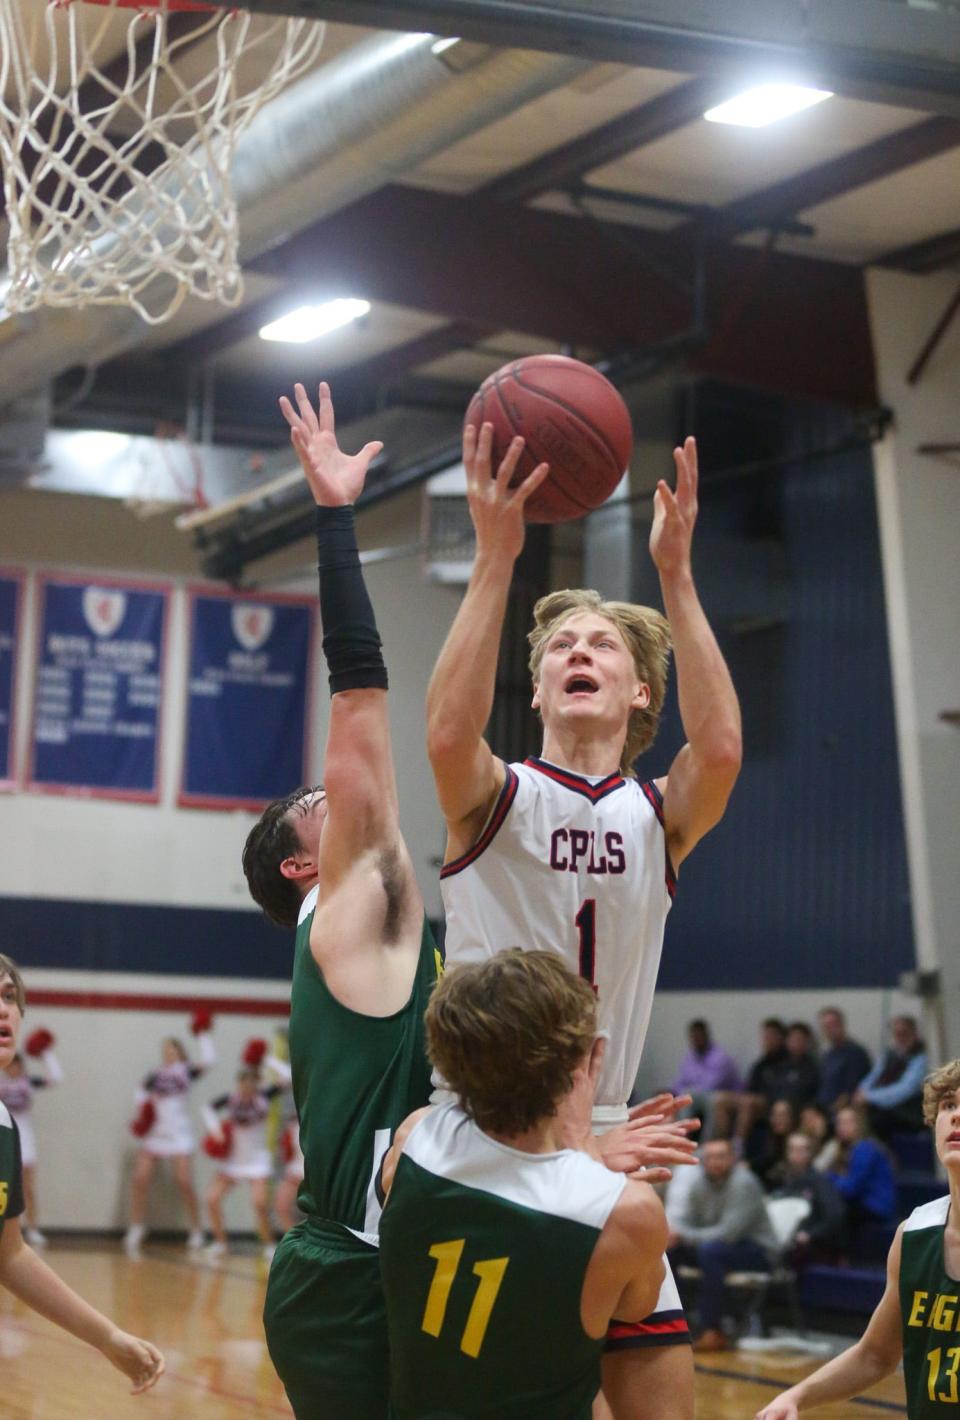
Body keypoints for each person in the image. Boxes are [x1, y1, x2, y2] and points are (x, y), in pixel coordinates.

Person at [426, 424, 742, 1420]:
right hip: (485, 1130)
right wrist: (496, 557)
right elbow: (445, 730)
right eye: (561, 644)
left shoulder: (658, 815)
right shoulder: (496, 793)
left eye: (601, 643)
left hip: (605, 1124)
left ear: (640, 690)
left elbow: (723, 749)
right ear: (537, 686)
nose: (578, 650)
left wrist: (676, 578)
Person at [242, 381, 440, 1420]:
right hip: (353, 1270)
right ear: (298, 867)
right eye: (319, 806)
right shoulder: (350, 914)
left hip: (388, 1251)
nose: (348, 798)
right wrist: (334, 516)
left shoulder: (381, 926)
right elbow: (361, 699)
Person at [379, 950, 669, 1420]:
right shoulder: (621, 1209)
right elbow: (636, 1306)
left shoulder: (414, 1139)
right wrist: (586, 1153)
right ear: (580, 1063)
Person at [755, 1058, 960, 1420]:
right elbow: (876, 1355)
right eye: (948, 1106)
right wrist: (796, 1396)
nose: (956, 1116)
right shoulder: (913, 1235)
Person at [0, 954, 164, 1395]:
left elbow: (9, 1255)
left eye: (10, 997)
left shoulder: (4, 1126)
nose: (3, 1009)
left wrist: (107, 1337)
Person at [667, 1137, 777, 1353]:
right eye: (710, 1157)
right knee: (670, 1250)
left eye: (721, 1156)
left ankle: (712, 1330)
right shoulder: (699, 1183)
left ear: (732, 1159)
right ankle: (674, 1322)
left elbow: (729, 1233)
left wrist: (684, 1235)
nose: (715, 1162)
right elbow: (683, 1222)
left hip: (757, 1250)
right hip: (714, 1246)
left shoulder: (744, 1182)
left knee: (711, 1252)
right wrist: (677, 1235)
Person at [124, 1015, 215, 1255]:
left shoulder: (187, 1071)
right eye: (165, 1049)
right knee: (140, 1179)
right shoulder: (155, 1074)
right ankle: (136, 1227)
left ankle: (197, 1229)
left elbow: (209, 1060)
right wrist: (144, 1112)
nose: (168, 1052)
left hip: (178, 1133)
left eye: (172, 1048)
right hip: (155, 1133)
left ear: (180, 1052)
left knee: (184, 1182)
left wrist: (202, 1033)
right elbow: (140, 1094)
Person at [203, 1063, 285, 1261]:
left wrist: (268, 1060)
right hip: (234, 1160)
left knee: (259, 1204)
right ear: (238, 1084)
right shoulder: (231, 1100)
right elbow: (207, 1109)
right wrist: (216, 1130)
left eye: (250, 1084)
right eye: (242, 1084)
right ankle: (221, 1243)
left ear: (256, 1084)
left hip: (257, 1160)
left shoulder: (264, 1097)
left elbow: (287, 1078)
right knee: (212, 1199)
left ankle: (269, 1244)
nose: (246, 1088)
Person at [0, 1028, 62, 1247]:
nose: (14, 1068)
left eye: (18, 1065)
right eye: (11, 1065)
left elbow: (55, 1077)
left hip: (25, 1136)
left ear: (22, 1066)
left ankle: (33, 1228)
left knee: (28, 1187)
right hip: (4, 1135)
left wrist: (45, 1053)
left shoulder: (29, 1083)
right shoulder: (1, 1084)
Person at [826, 1105, 897, 1257]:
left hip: (875, 1206)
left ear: (859, 1124)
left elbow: (851, 1189)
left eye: (847, 1122)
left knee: (834, 1211)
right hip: (863, 1203)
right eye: (839, 1122)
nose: (842, 1127)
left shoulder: (865, 1148)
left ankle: (839, 1258)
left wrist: (828, 1177)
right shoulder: (844, 1149)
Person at [712, 1018, 791, 1146]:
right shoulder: (761, 1064)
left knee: (748, 1102)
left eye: (771, 1036)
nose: (767, 1040)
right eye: (765, 1036)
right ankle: (720, 1142)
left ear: (781, 1038)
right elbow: (750, 1088)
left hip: (773, 1103)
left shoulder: (788, 1062)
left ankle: (738, 1146)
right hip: (752, 1100)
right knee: (721, 1099)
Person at [771, 1132, 844, 1263]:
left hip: (813, 1246)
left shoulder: (820, 1182)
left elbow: (834, 1215)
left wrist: (811, 1234)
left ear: (810, 1153)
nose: (796, 1155)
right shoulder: (783, 1181)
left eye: (801, 1150)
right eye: (792, 1149)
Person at [855, 1014, 928, 1140]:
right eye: (896, 1033)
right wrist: (861, 1092)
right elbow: (873, 1077)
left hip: (910, 1111)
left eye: (904, 1032)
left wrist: (869, 1097)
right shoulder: (890, 1054)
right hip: (884, 1106)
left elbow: (905, 1089)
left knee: (875, 1120)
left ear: (914, 1033)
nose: (900, 1037)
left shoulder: (921, 1058)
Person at [670, 1019, 742, 1137]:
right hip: (697, 1097)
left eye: (699, 1036)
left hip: (723, 1095)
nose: (696, 1040)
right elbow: (681, 1082)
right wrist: (670, 1093)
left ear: (706, 1036)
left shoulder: (720, 1056)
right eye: (693, 1037)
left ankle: (706, 1143)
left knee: (697, 1097)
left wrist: (689, 1090)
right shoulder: (689, 1057)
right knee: (679, 1098)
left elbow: (712, 1085)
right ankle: (682, 1139)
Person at [817, 1006, 871, 1115]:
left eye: (833, 1025)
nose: (830, 1030)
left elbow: (851, 1091)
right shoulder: (827, 1055)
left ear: (842, 1025)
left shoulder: (855, 1052)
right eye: (826, 1026)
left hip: (843, 1114)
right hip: (823, 1109)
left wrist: (829, 1113)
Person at [748, 1097, 797, 1192]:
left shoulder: (797, 1141)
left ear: (791, 1118)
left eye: (783, 1115)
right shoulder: (761, 1138)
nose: (778, 1119)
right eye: (774, 1115)